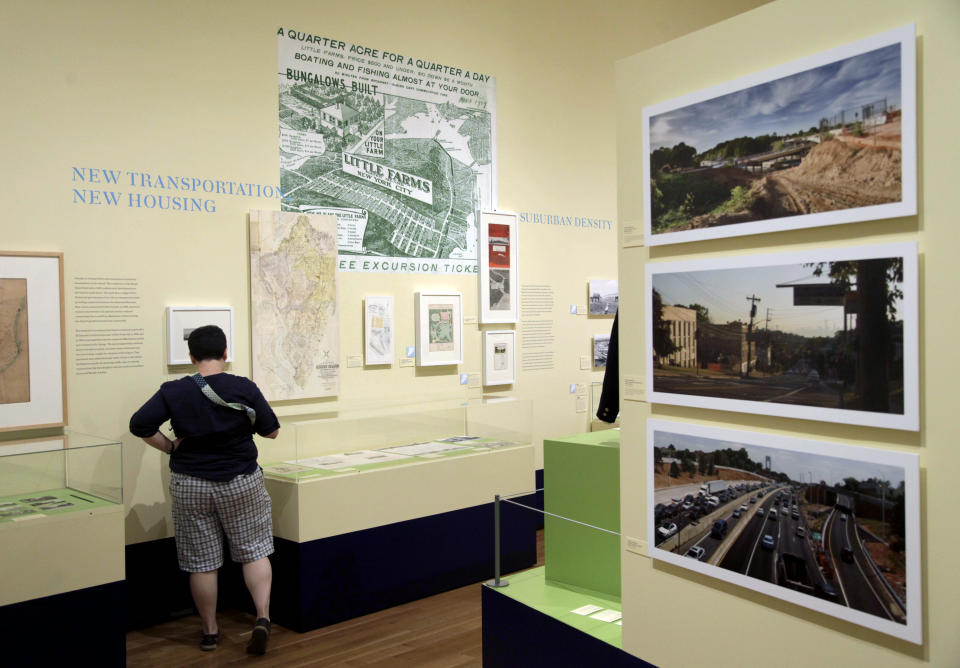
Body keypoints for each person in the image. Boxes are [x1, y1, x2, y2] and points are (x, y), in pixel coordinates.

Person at [129, 325, 280, 654]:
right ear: (226, 353)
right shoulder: (243, 387)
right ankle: (263, 617)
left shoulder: (174, 391)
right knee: (254, 550)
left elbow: (139, 424)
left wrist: (170, 448)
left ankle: (210, 631)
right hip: (241, 480)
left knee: (202, 561)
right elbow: (271, 432)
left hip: (191, 483)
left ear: (192, 357)